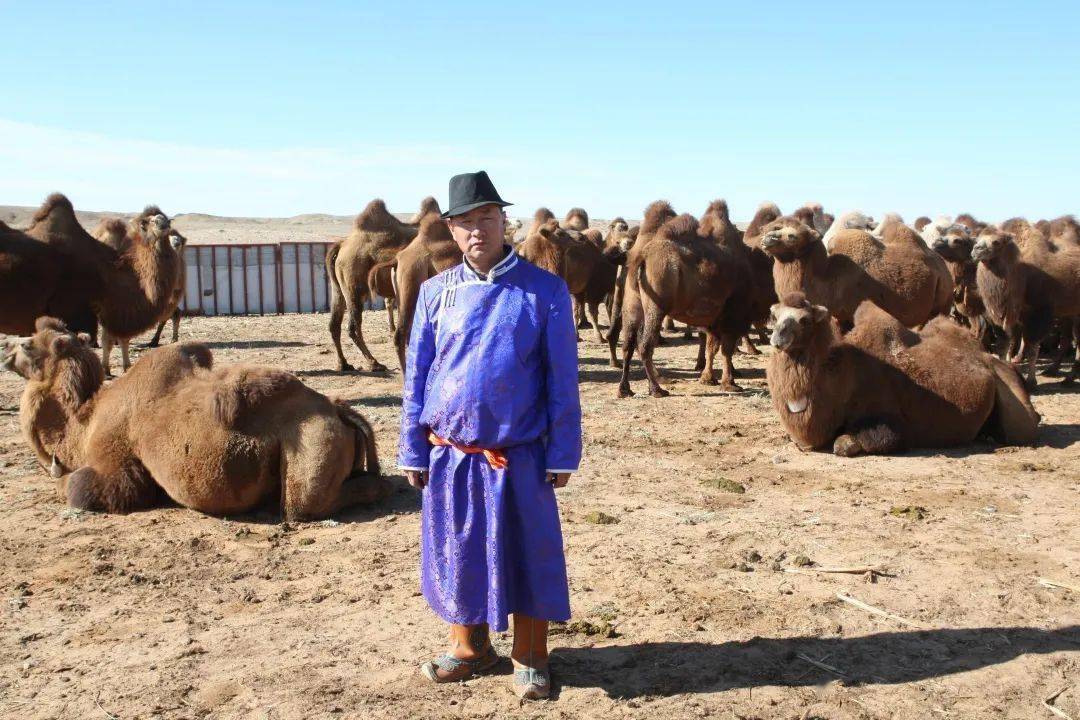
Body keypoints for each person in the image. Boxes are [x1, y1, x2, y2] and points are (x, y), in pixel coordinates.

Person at [398, 171, 582, 700]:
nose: (477, 230)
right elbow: (418, 375)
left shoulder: (544, 291)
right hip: (450, 454)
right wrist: (412, 446)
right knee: (459, 552)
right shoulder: (435, 293)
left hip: (518, 453)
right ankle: (469, 647)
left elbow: (561, 379)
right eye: (465, 222)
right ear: (451, 231)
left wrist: (563, 450)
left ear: (505, 222)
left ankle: (531, 657)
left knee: (528, 553)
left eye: (487, 218)